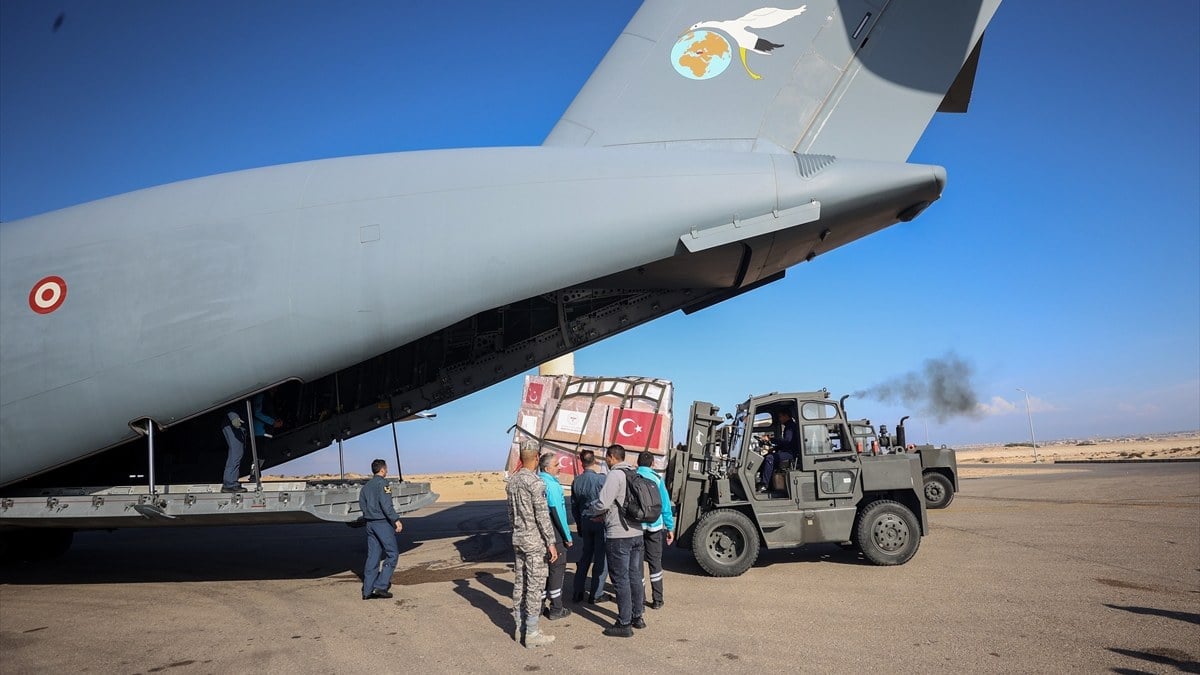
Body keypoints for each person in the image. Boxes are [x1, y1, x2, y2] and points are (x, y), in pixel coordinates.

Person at [586, 444, 645, 638]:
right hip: (637, 533)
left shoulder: (615, 475)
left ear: (612, 457)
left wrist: (592, 510)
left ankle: (624, 623)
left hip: (619, 536)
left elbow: (603, 503)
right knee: (635, 576)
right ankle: (638, 617)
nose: (606, 462)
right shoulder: (634, 474)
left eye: (607, 458)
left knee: (620, 579)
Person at [506, 443, 559, 648]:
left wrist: (517, 532)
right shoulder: (535, 483)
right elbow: (542, 516)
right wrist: (551, 543)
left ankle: (520, 627)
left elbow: (510, 514)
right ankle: (532, 633)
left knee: (520, 583)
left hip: (519, 538)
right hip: (534, 542)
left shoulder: (512, 482)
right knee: (535, 586)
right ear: (536, 458)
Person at [359, 459, 403, 601]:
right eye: (386, 469)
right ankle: (381, 586)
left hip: (370, 524)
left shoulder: (366, 487)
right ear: (383, 470)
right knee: (392, 554)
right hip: (382, 523)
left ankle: (367, 590)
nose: (387, 471)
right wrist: (395, 520)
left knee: (373, 556)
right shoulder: (383, 484)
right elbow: (386, 504)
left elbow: (362, 504)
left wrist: (369, 517)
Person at [636, 451, 675, 610]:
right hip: (655, 526)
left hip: (636, 527)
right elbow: (665, 506)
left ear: (637, 463)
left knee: (637, 565)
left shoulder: (632, 477)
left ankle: (640, 599)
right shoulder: (657, 479)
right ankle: (657, 599)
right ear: (652, 464)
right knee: (655, 563)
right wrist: (670, 527)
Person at [570, 449, 609, 604]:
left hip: (585, 521)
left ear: (581, 462)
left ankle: (577, 592)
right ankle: (596, 593)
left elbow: (574, 506)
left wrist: (579, 524)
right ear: (595, 461)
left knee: (585, 555)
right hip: (600, 521)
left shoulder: (577, 481)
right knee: (601, 559)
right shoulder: (602, 480)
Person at [538, 453, 573, 620]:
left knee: (544, 571)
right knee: (557, 570)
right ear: (547, 468)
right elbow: (557, 511)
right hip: (554, 535)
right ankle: (556, 608)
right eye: (556, 464)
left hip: (540, 535)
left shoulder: (538, 481)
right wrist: (567, 536)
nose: (560, 466)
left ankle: (539, 606)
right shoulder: (551, 485)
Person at [758, 410, 799, 493]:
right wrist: (774, 449)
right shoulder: (788, 426)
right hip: (788, 451)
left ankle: (764, 484)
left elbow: (787, 441)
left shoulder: (790, 427)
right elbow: (786, 443)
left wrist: (770, 439)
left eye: (780, 416)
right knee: (766, 457)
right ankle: (766, 482)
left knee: (770, 458)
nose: (779, 419)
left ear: (786, 416)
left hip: (791, 453)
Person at [220, 411, 248, 493]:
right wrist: (234, 417)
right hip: (233, 425)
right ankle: (229, 484)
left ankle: (230, 482)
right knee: (235, 454)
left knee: (236, 454)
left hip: (235, 424)